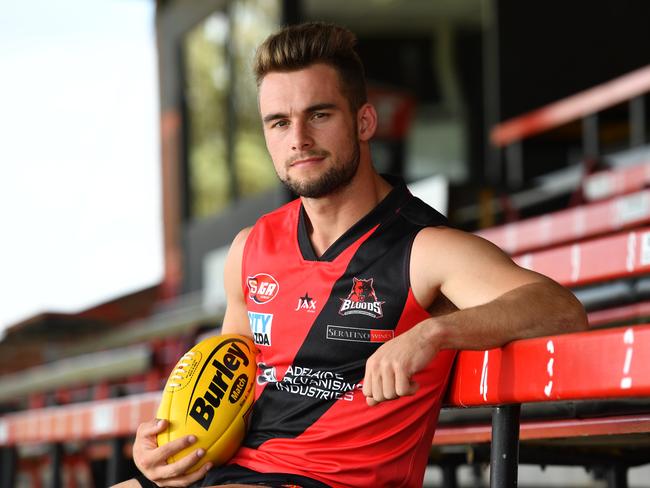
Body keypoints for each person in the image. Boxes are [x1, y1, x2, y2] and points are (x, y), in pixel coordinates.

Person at [116, 21, 587, 488]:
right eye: (279, 122)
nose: (297, 137)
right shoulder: (250, 248)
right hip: (232, 475)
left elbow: (561, 310)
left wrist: (434, 332)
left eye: (319, 115)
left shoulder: (423, 249)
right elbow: (229, 384)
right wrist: (169, 446)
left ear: (364, 121)